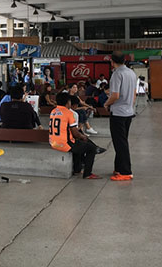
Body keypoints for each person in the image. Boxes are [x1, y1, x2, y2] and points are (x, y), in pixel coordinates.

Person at [48, 93, 100, 179]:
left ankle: (77, 170)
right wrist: (83, 137)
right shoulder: (68, 113)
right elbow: (75, 133)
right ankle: (88, 174)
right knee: (91, 148)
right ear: (68, 102)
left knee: (78, 144)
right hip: (64, 144)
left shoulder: (53, 111)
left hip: (53, 143)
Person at [104, 52, 137, 181]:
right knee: (121, 141)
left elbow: (115, 95)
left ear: (112, 62)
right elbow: (133, 95)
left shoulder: (117, 74)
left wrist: (106, 104)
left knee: (120, 143)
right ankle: (118, 168)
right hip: (128, 112)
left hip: (118, 113)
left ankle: (125, 172)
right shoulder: (131, 73)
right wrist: (129, 105)